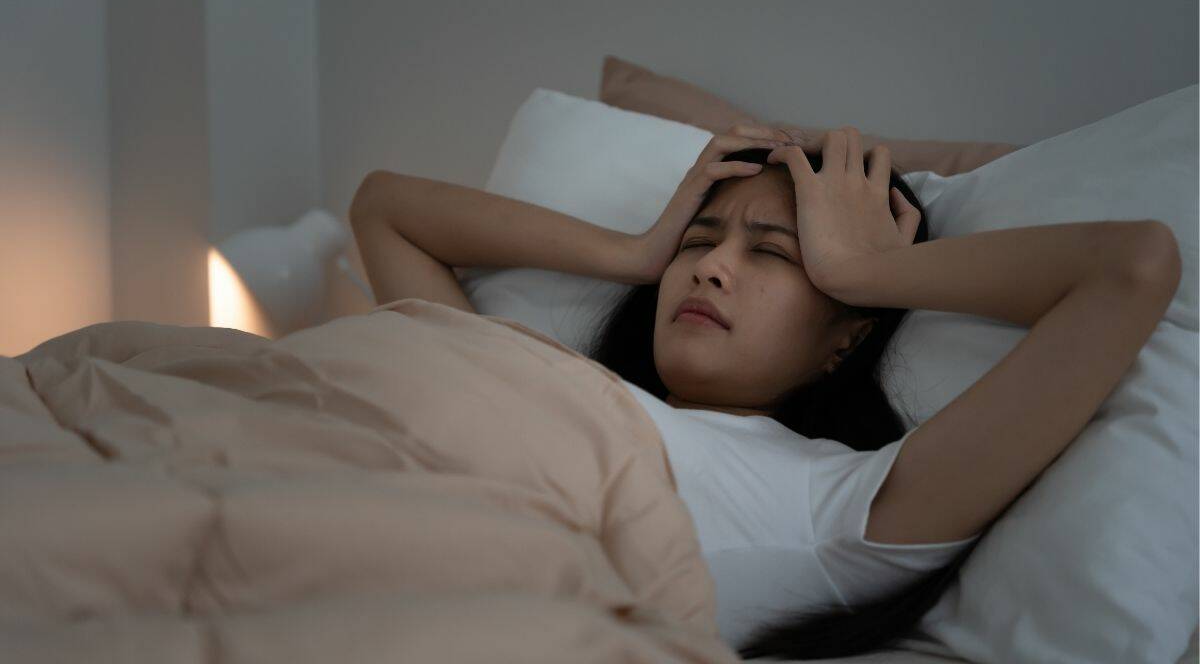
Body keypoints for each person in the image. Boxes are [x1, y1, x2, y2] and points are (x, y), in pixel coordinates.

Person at [349, 125, 1180, 659]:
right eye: (701, 241)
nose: (711, 265)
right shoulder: (547, 373)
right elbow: (383, 207)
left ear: (848, 335)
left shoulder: (842, 507)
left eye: (775, 255)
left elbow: (1130, 268)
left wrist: (866, 270)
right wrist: (637, 251)